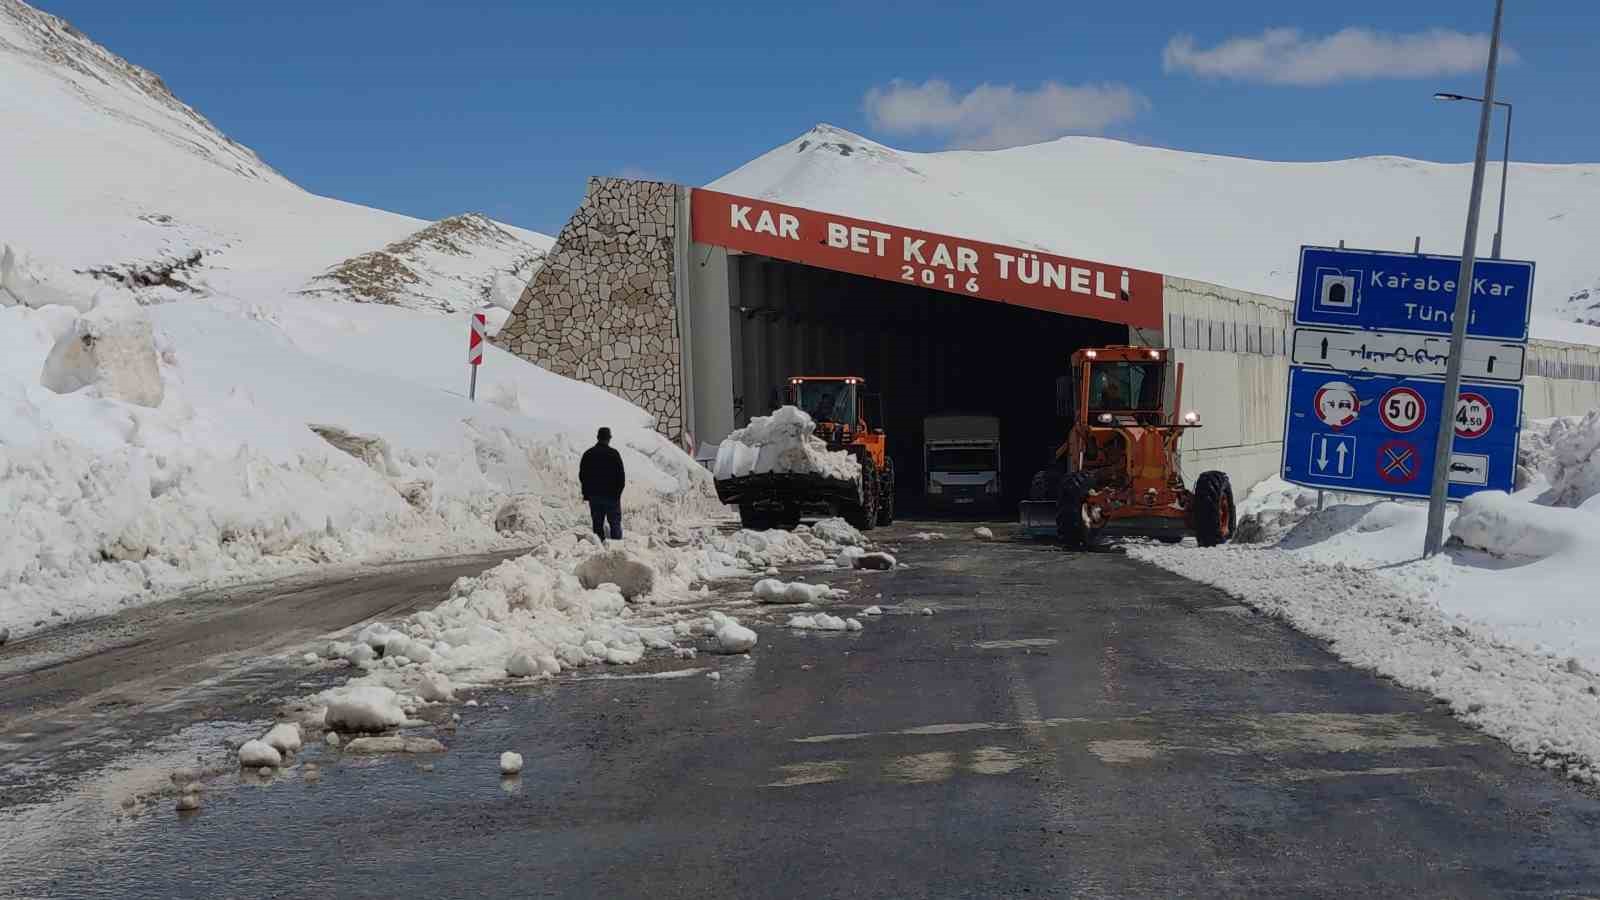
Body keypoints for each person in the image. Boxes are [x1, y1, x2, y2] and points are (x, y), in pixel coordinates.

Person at [579, 427, 625, 542]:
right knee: (615, 525)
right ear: (609, 438)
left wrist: (587, 493)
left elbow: (583, 476)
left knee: (597, 526)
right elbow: (621, 477)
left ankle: (599, 551)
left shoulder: (588, 454)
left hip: (595, 496)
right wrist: (617, 494)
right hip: (611, 497)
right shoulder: (614, 454)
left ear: (598, 437)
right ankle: (617, 550)